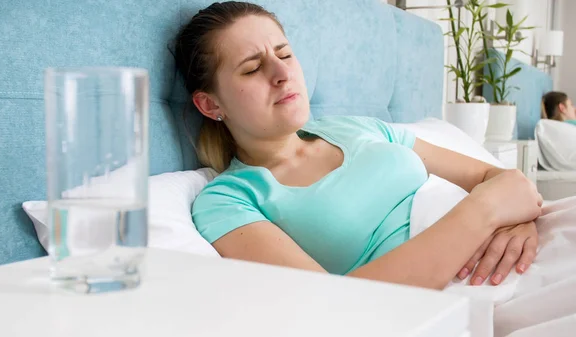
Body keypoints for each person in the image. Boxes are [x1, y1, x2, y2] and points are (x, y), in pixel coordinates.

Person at [171, 1, 542, 290]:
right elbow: (337, 306)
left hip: (518, 258)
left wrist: (518, 223)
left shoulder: (355, 128)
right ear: (211, 104)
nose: (283, 74)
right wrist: (488, 212)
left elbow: (502, 179)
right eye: (252, 68)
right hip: (460, 291)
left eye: (285, 54)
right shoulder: (228, 201)